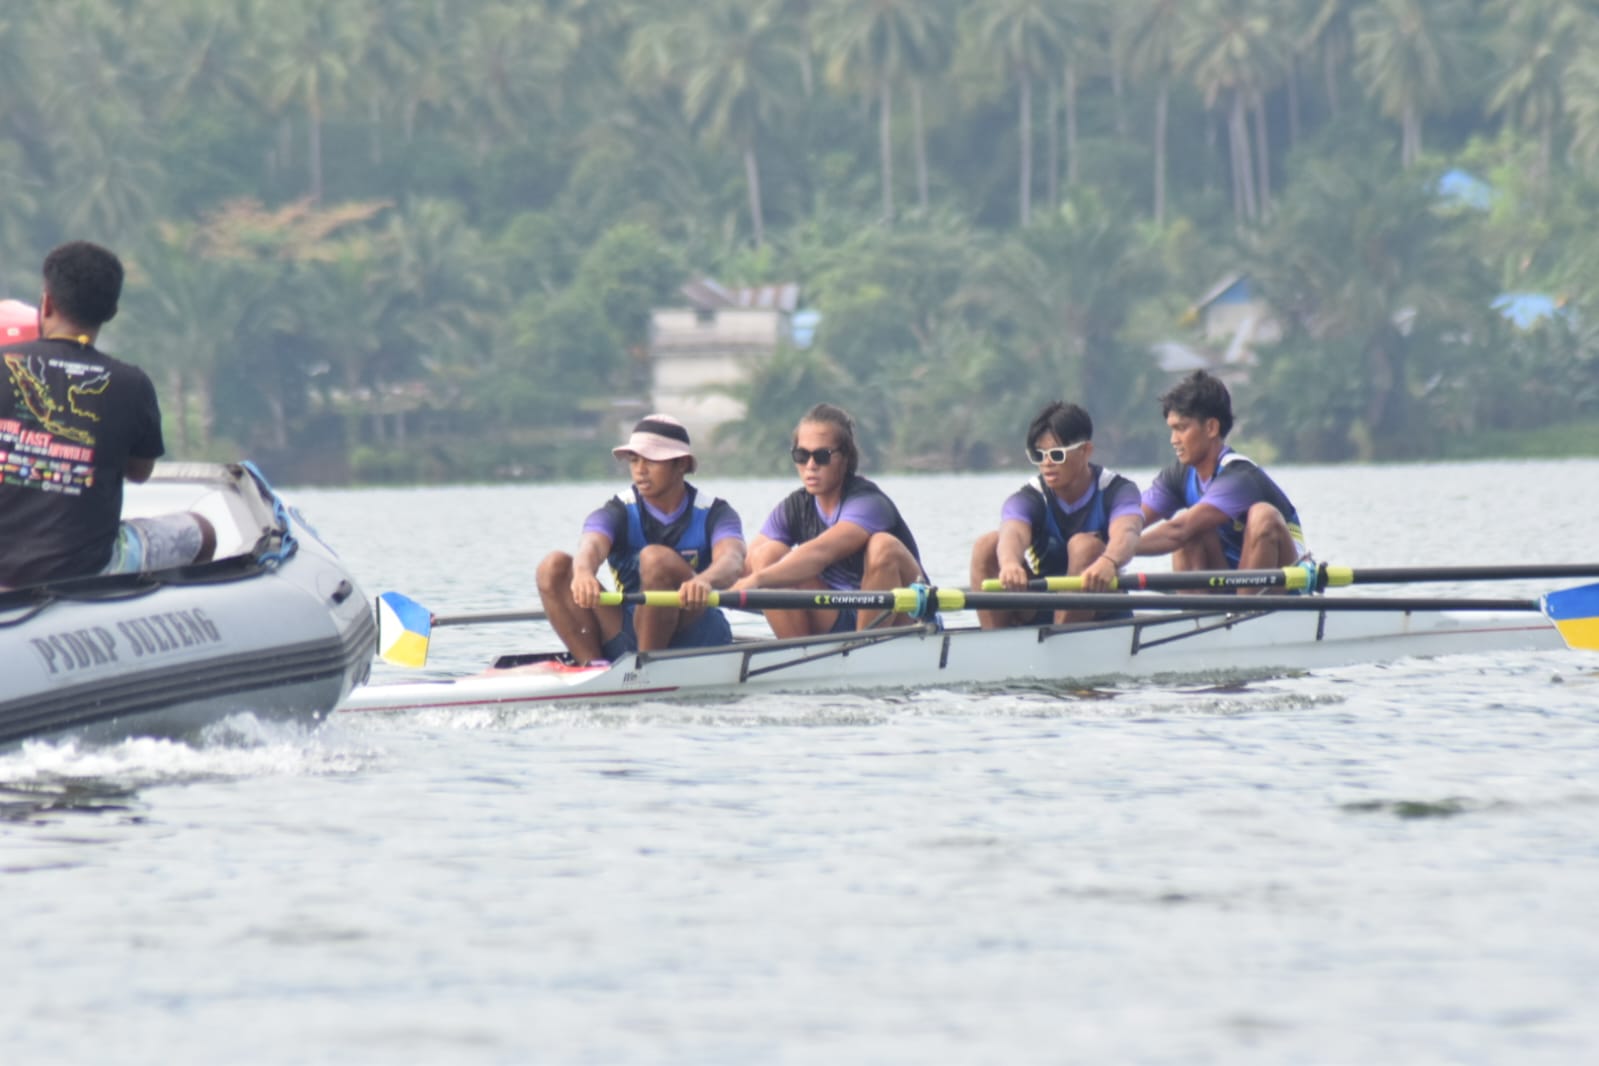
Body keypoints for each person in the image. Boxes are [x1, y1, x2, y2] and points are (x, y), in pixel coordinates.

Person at [0, 241, 215, 589]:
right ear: (112, 311)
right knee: (202, 531)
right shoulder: (133, 383)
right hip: (88, 568)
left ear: (47, 302)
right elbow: (140, 472)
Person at [536, 414, 746, 664]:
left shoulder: (715, 512)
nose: (640, 470)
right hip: (628, 631)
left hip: (696, 632)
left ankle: (644, 667)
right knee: (553, 567)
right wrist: (583, 572)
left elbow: (732, 560)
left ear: (681, 464)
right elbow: (592, 544)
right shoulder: (617, 511)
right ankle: (592, 667)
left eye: (651, 460)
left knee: (656, 559)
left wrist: (704, 581)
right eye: (634, 460)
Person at [733, 402, 925, 638]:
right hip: (837, 613)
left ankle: (864, 647)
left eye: (822, 456)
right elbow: (744, 567)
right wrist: (700, 581)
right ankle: (800, 653)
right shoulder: (794, 508)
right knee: (766, 555)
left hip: (900, 617)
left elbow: (819, 554)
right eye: (802, 455)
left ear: (845, 457)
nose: (810, 465)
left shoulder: (868, 503)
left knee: (883, 545)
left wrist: (758, 580)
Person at [970, 401, 1144, 628]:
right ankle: (995, 641)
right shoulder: (1031, 496)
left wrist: (1109, 561)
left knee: (1084, 546)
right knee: (986, 545)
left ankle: (1061, 639)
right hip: (1041, 604)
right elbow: (1013, 530)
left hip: (1100, 607)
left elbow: (1128, 531)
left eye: (1056, 454)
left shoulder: (1117, 490)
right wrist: (1010, 563)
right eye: (1039, 455)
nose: (1047, 463)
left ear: (1085, 451)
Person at [1137, 370, 1306, 583]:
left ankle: (1247, 603)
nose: (1174, 440)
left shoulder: (1239, 477)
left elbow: (1178, 530)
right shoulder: (1177, 477)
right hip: (1229, 579)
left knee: (1262, 515)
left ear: (1211, 428)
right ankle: (1197, 605)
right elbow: (1127, 519)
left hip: (1283, 584)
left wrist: (1118, 550)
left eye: (1181, 428)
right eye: (1172, 429)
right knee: (1194, 530)